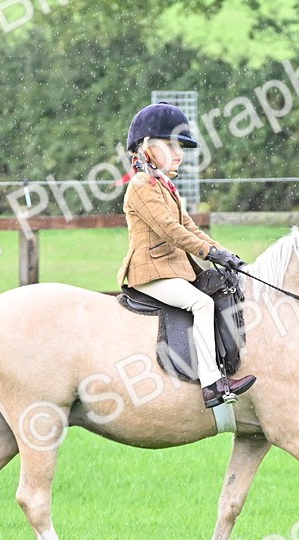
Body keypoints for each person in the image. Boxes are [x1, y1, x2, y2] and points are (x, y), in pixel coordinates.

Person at [117, 102, 256, 409]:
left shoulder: (166, 187)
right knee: (201, 303)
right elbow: (170, 230)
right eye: (170, 145)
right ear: (146, 148)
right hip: (151, 272)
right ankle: (212, 384)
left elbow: (190, 227)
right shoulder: (141, 187)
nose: (179, 153)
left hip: (172, 269)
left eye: (180, 146)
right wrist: (209, 253)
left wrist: (225, 253)